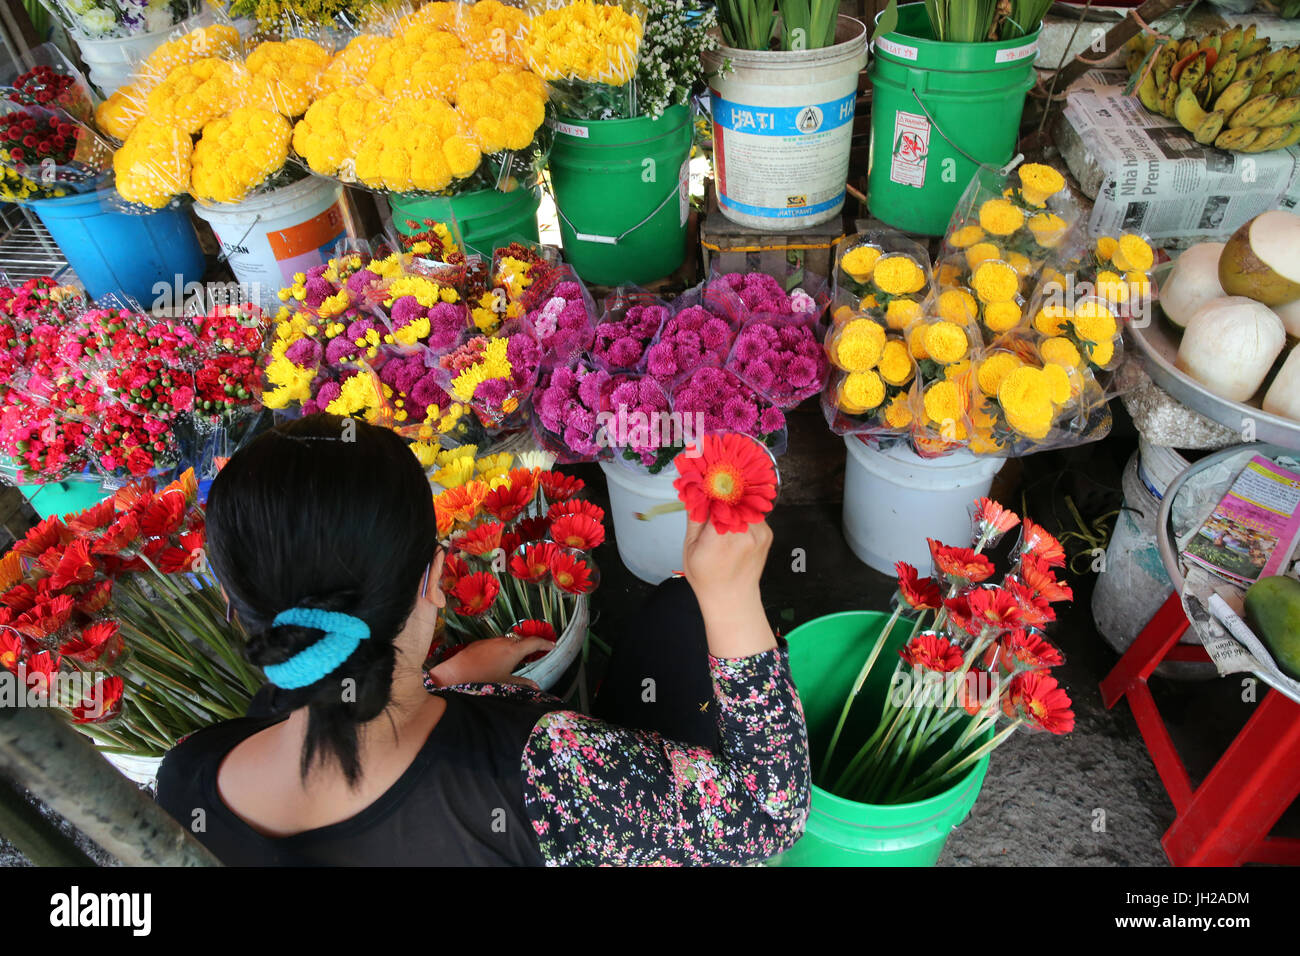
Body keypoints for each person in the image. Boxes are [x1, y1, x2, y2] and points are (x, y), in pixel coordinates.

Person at [155, 414, 810, 865]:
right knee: (682, 614)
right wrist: (727, 597)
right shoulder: (543, 772)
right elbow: (765, 816)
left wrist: (448, 684)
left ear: (232, 607)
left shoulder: (187, 776)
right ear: (437, 579)